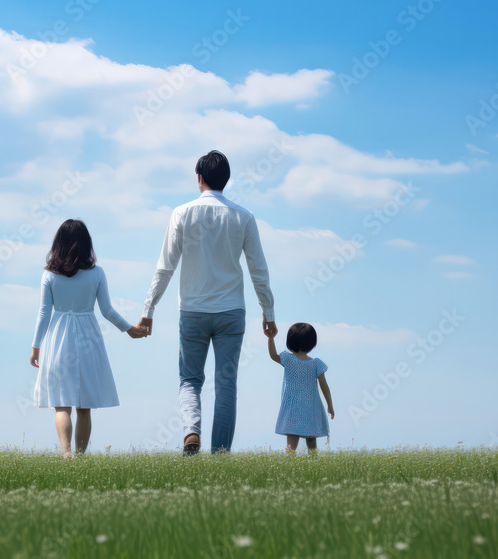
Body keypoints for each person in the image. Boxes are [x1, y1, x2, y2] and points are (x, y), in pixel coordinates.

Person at [137, 150, 276, 455]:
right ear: (226, 180)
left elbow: (165, 267)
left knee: (190, 379)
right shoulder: (244, 217)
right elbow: (258, 270)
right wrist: (269, 311)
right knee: (226, 384)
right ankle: (221, 453)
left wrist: (149, 310)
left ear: (198, 178)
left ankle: (191, 432)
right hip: (231, 312)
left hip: (192, 310)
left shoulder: (181, 213)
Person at [30, 219, 147, 458]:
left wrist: (35, 347)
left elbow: (44, 313)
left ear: (58, 244)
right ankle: (81, 459)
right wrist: (129, 329)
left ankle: (66, 454)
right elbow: (107, 311)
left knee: (61, 404)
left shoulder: (49, 275)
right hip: (88, 336)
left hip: (58, 336)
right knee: (84, 406)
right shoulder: (97, 273)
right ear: (87, 245)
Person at [267, 322, 334, 454]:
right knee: (311, 443)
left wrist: (271, 338)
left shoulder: (288, 359)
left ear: (290, 341)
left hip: (292, 407)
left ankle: (290, 468)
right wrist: (330, 405)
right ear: (312, 343)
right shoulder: (316, 364)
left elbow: (273, 355)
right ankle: (314, 469)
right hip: (311, 407)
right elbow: (324, 386)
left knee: (291, 443)